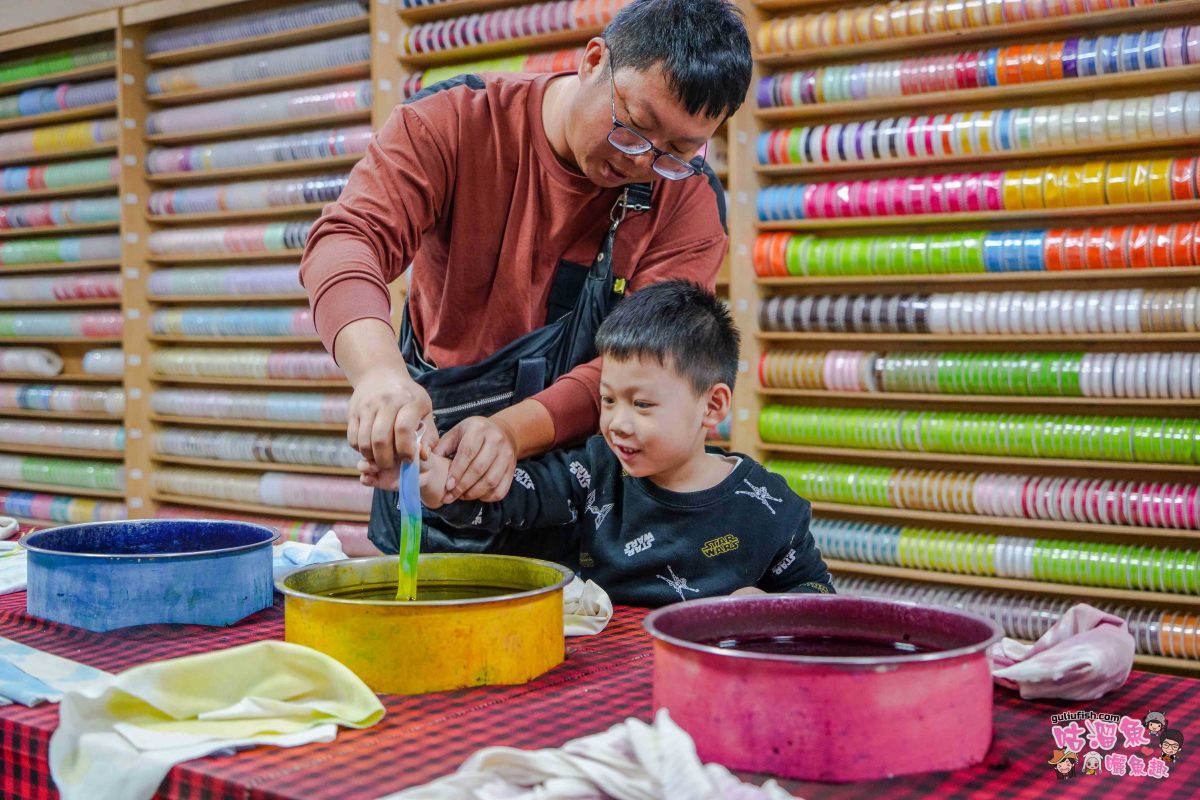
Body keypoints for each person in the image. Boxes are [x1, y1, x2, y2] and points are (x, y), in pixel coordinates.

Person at [299, 0, 752, 560]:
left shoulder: (686, 198)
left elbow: (654, 367)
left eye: (677, 152)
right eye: (634, 127)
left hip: (590, 487)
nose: (642, 162)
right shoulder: (456, 121)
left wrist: (512, 432)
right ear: (593, 61)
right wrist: (378, 375)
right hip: (436, 453)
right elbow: (348, 238)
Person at [395, 281, 833, 606]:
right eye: (607, 400)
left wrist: (773, 606)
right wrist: (441, 483)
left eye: (642, 404)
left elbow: (820, 596)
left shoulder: (770, 505)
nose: (617, 423)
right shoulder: (594, 472)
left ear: (713, 406)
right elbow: (515, 496)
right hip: (599, 687)